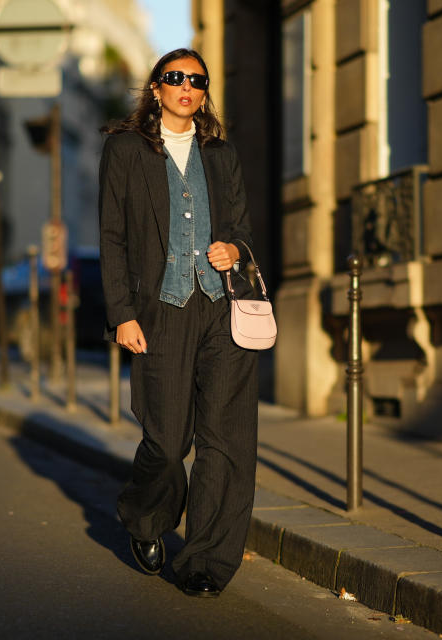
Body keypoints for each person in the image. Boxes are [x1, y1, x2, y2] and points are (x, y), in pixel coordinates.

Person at [98, 48, 259, 598]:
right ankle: (144, 518)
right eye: (175, 78)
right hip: (159, 312)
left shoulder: (221, 155)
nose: (186, 86)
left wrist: (232, 249)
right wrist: (121, 314)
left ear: (205, 92)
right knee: (167, 444)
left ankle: (205, 563)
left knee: (225, 443)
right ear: (157, 88)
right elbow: (112, 238)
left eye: (197, 80)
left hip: (221, 312)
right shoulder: (124, 151)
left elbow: (242, 228)